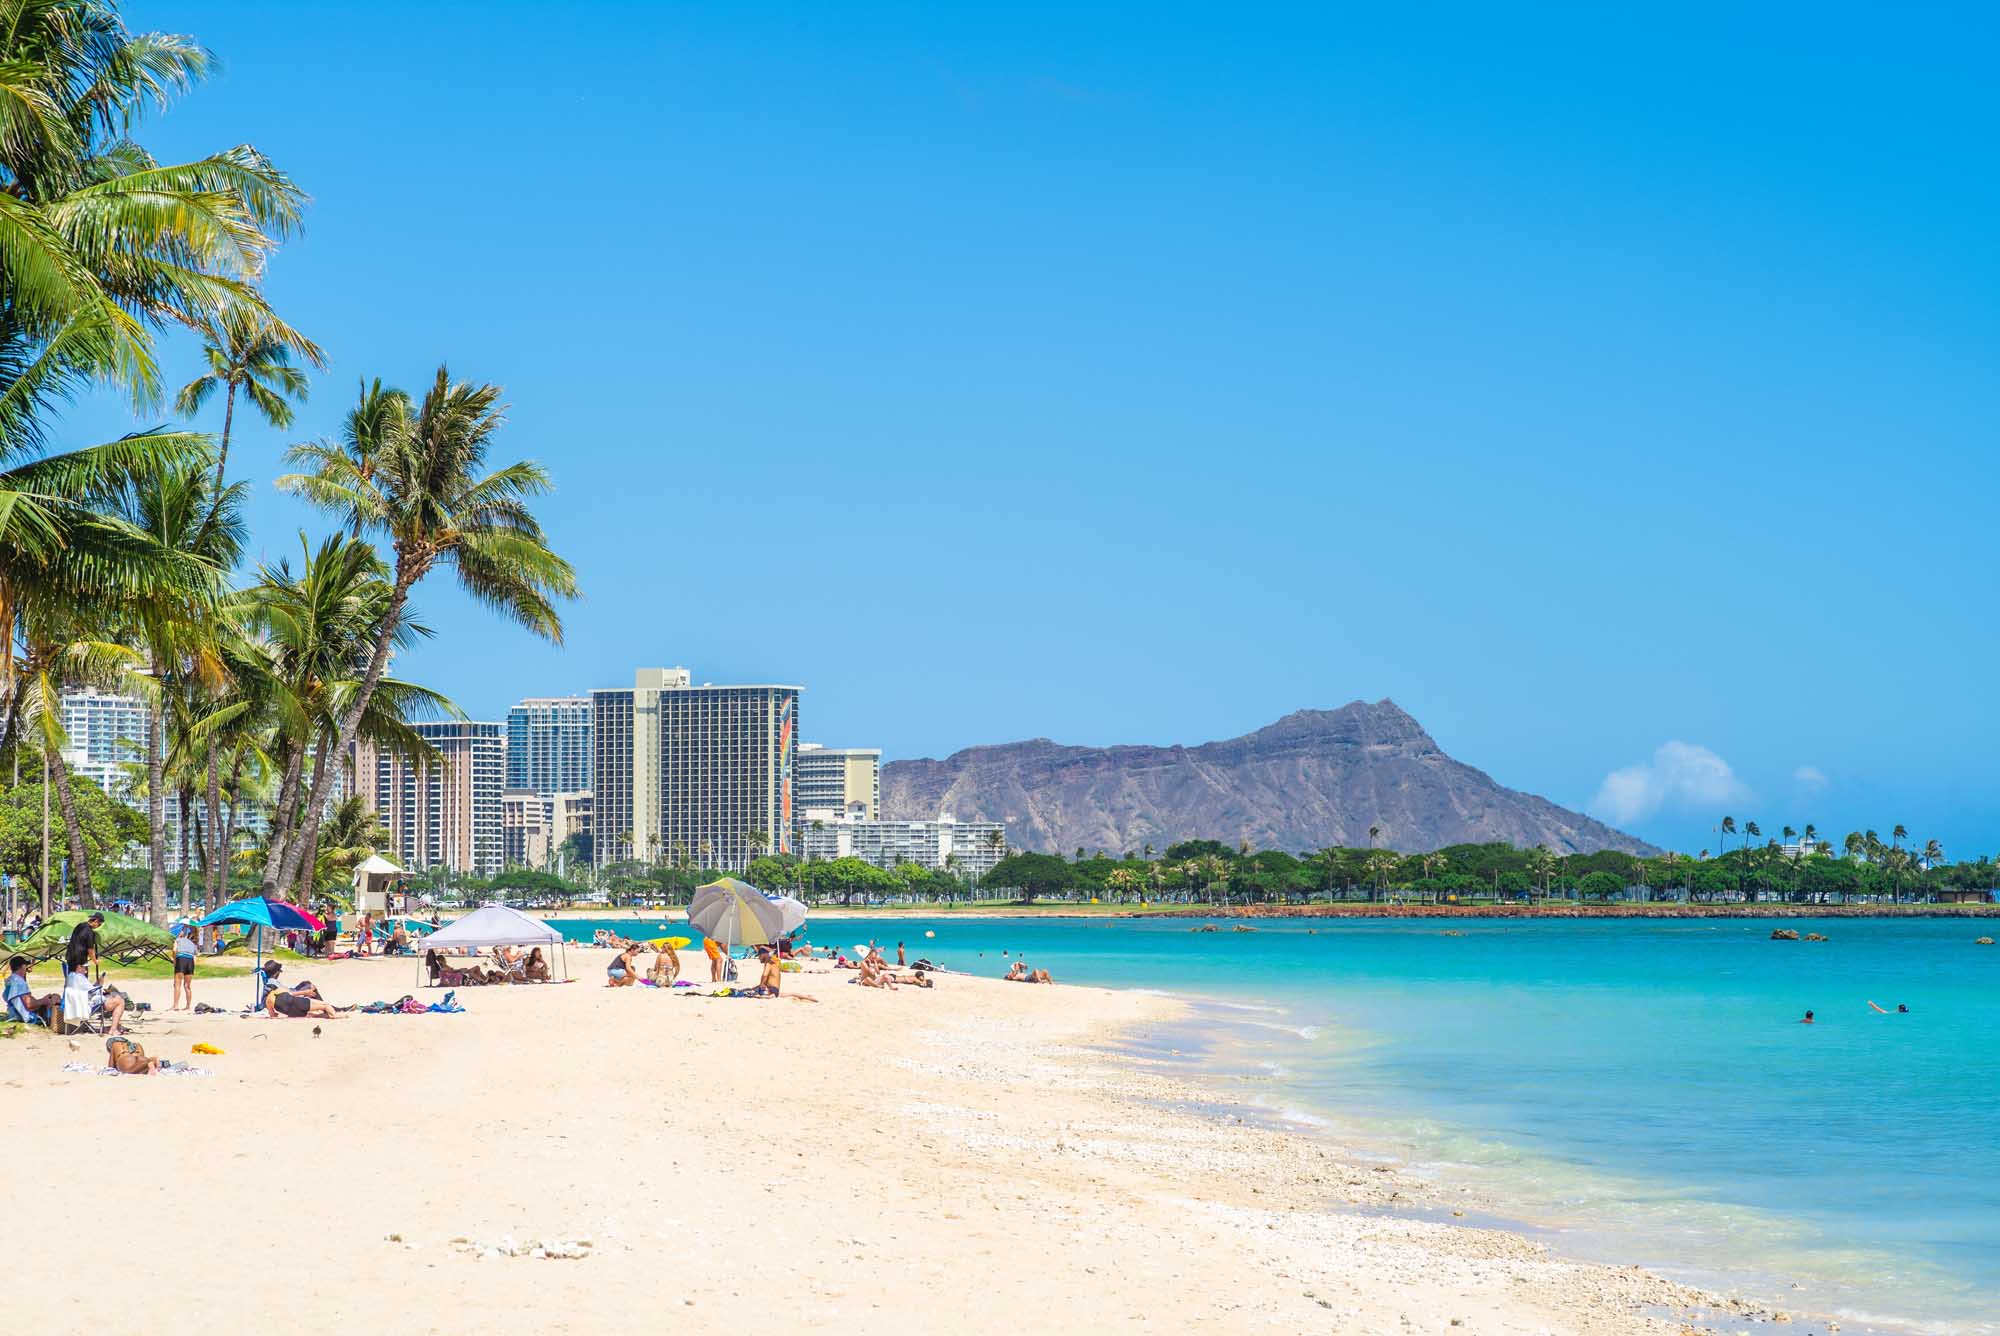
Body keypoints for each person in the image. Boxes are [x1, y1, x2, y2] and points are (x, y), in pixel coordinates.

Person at [5, 955, 60, 1026]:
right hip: (27, 1016)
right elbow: (29, 1004)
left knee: (53, 997)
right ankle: (56, 1022)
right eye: (25, 965)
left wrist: (41, 1000)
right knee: (55, 997)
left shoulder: (10, 981)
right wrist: (43, 1000)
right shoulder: (19, 983)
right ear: (22, 967)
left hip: (14, 1013)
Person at [264, 985, 344, 1020]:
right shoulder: (278, 990)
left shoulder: (268, 1001)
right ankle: (334, 1015)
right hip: (296, 1002)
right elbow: (293, 994)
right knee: (324, 1005)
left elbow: (272, 1015)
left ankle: (329, 1016)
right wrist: (305, 992)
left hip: (291, 1013)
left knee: (313, 1015)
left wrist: (275, 1014)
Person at [64, 911, 104, 980]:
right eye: (99, 924)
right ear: (96, 921)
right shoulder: (90, 932)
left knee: (72, 978)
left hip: (70, 956)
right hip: (80, 960)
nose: (98, 927)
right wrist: (95, 961)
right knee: (82, 980)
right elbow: (90, 950)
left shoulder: (80, 925)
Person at [171, 921, 197, 1010]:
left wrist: (174, 960)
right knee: (187, 985)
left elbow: (174, 950)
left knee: (177, 984)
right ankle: (188, 1006)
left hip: (181, 959)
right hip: (190, 962)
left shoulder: (177, 940)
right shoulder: (193, 944)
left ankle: (176, 1006)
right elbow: (195, 958)